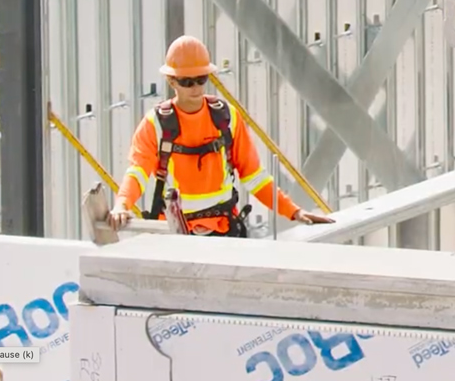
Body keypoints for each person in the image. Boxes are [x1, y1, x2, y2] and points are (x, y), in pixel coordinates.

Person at [108, 36, 334, 236]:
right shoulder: (155, 124)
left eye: (201, 79)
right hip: (175, 235)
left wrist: (293, 211)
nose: (195, 88)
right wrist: (122, 205)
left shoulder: (226, 118)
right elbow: (138, 172)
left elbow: (254, 177)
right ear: (171, 81)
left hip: (224, 230)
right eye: (187, 82)